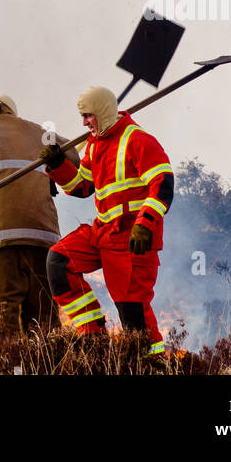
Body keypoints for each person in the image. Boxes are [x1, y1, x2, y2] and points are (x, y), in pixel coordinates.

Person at [38, 86, 174, 356]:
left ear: (101, 112)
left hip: (133, 239)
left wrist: (145, 224)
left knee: (132, 311)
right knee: (58, 262)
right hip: (103, 233)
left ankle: (153, 364)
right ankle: (93, 338)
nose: (84, 122)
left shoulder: (139, 140)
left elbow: (164, 184)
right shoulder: (95, 143)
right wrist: (58, 166)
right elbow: (82, 187)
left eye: (88, 115)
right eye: (82, 116)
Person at [0, 94, 77, 334]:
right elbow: (75, 155)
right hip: (44, 240)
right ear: (13, 112)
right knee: (43, 323)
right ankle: (41, 368)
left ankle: (9, 370)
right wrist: (56, 161)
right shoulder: (40, 133)